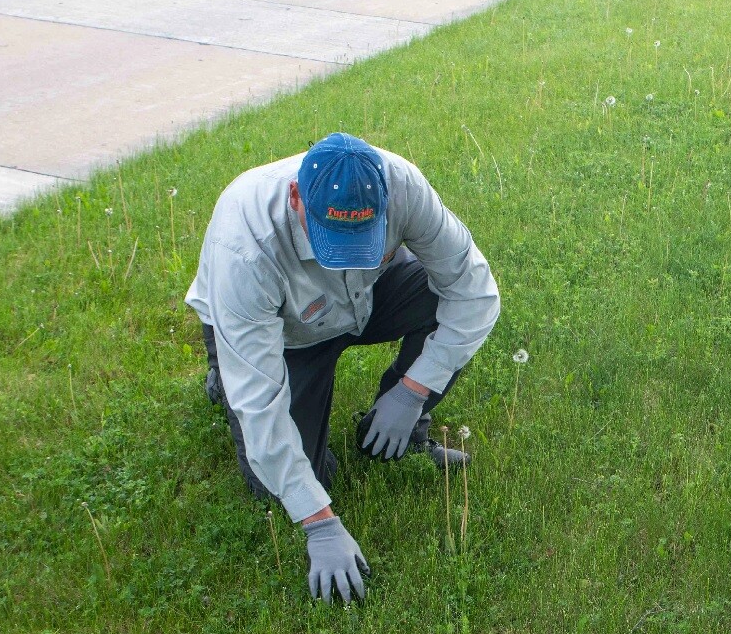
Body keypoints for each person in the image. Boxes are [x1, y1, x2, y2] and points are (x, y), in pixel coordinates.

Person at [185, 132, 500, 604]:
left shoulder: (402, 185)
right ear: (296, 198)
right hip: (285, 331)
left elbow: (473, 290)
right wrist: (318, 523)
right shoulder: (247, 247)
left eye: (364, 241)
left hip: (365, 297)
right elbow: (261, 403)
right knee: (286, 485)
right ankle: (222, 367)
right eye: (335, 243)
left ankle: (400, 427)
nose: (348, 255)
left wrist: (413, 391)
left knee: (443, 303)